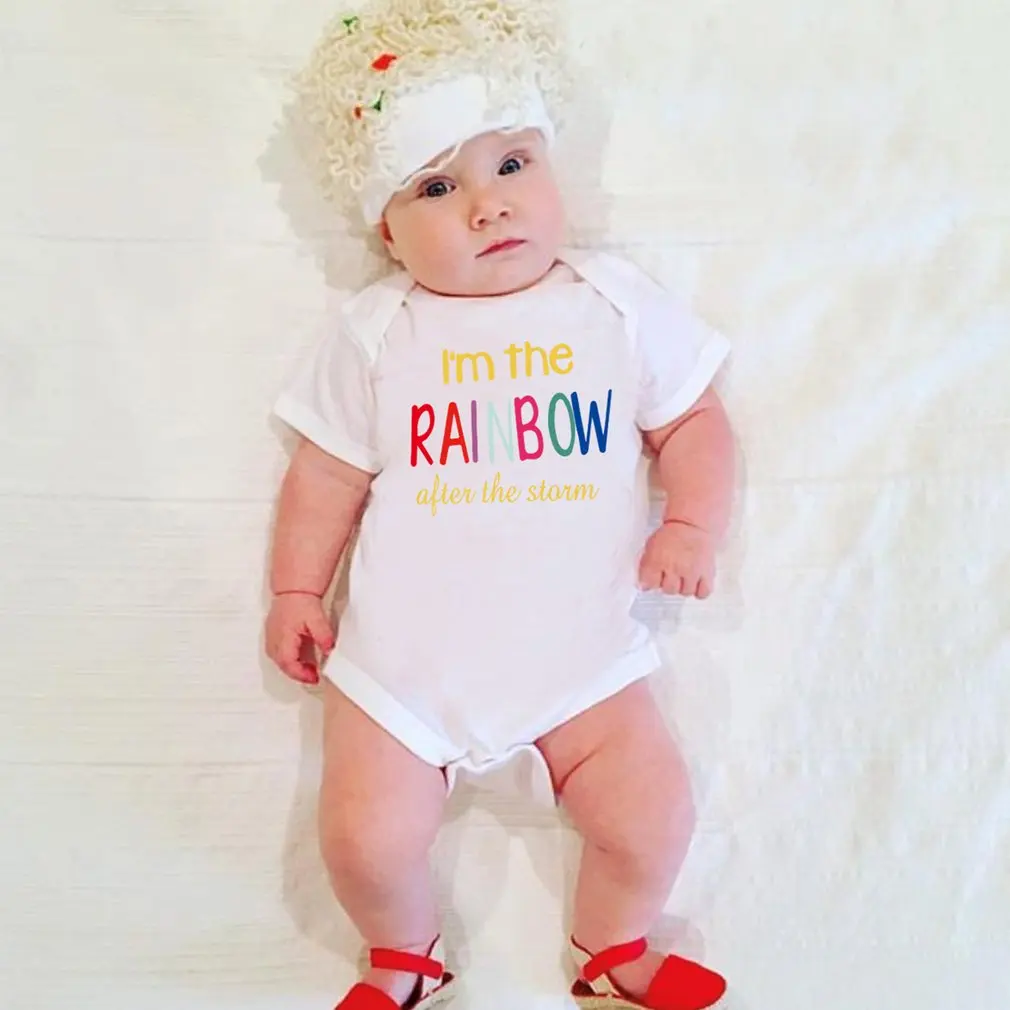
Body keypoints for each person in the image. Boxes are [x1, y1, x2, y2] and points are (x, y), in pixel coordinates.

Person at [266, 2, 734, 1007]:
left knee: (651, 813)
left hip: (581, 661)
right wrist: (297, 588)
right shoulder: (377, 330)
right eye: (437, 187)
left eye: (512, 165)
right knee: (362, 838)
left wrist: (692, 521)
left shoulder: (610, 302)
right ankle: (403, 952)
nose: (488, 208)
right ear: (386, 228)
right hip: (403, 669)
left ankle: (613, 944)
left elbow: (694, 420)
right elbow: (327, 473)